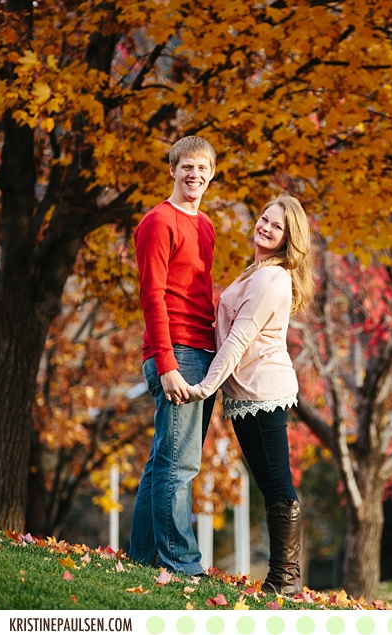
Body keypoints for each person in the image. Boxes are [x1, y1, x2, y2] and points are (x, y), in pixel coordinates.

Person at [185, 193, 315, 595]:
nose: (265, 227)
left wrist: (205, 387)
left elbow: (240, 338)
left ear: (288, 238)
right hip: (249, 394)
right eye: (264, 218)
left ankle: (284, 579)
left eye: (277, 226)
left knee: (277, 484)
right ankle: (282, 577)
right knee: (269, 483)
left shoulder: (270, 278)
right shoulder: (255, 271)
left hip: (263, 392)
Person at [129, 135, 219, 577]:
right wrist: (166, 364)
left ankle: (142, 556)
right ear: (173, 170)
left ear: (212, 175)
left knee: (164, 460)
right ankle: (182, 563)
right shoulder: (157, 221)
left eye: (203, 169)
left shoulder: (205, 226)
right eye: (187, 167)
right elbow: (153, 296)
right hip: (176, 352)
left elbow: (200, 294)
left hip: (201, 351)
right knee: (180, 465)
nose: (195, 175)